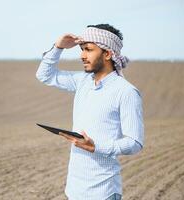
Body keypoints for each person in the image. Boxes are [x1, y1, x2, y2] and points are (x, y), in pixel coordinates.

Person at [36, 24, 144, 200]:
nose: (82, 55)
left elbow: (135, 142)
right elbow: (44, 75)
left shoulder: (126, 92)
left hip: (103, 192)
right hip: (74, 190)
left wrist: (96, 147)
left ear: (107, 54)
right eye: (81, 49)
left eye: (88, 49)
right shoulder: (83, 81)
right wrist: (58, 47)